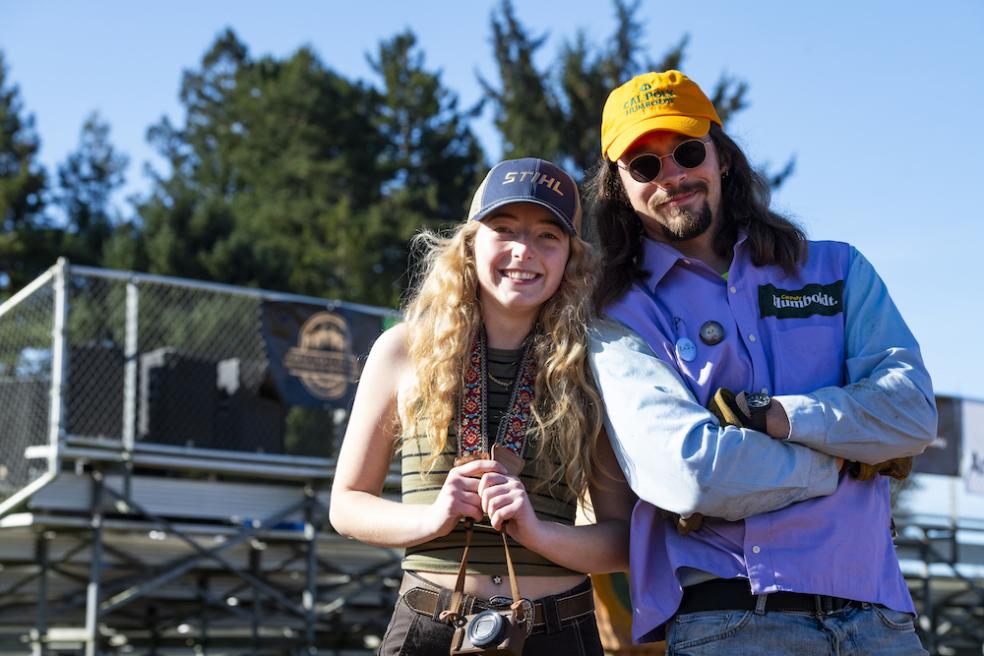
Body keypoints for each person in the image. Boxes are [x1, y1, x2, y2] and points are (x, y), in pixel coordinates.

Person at [585, 70, 937, 655]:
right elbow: (692, 473)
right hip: (732, 621)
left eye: (687, 152)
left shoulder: (839, 268)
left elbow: (913, 413)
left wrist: (778, 417)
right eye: (644, 166)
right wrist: (844, 459)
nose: (672, 176)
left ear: (722, 157)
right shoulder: (617, 315)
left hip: (881, 619)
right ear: (620, 188)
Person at [330, 157, 633, 655]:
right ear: (470, 244)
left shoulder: (593, 365)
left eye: (547, 236)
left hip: (558, 630)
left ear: (571, 258)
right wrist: (433, 519)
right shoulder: (403, 349)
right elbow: (346, 504)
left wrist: (537, 532)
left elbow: (623, 541)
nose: (523, 251)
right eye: (504, 229)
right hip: (430, 624)